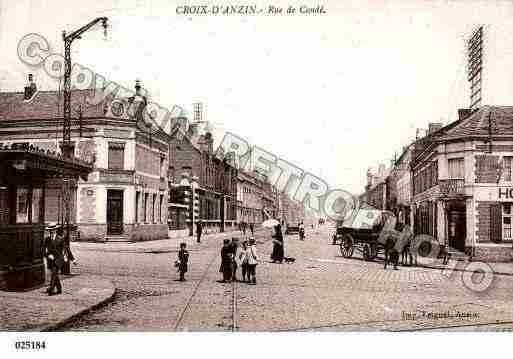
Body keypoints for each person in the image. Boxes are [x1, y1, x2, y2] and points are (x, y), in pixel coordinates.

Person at [44, 223, 65, 296]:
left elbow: (65, 249)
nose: (51, 232)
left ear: (56, 230)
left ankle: (51, 289)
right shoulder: (47, 239)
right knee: (55, 274)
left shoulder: (60, 239)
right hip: (50, 259)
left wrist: (72, 259)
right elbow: (43, 250)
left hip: (58, 259)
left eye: (53, 230)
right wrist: (48, 255)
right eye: (50, 230)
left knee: (54, 273)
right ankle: (59, 289)